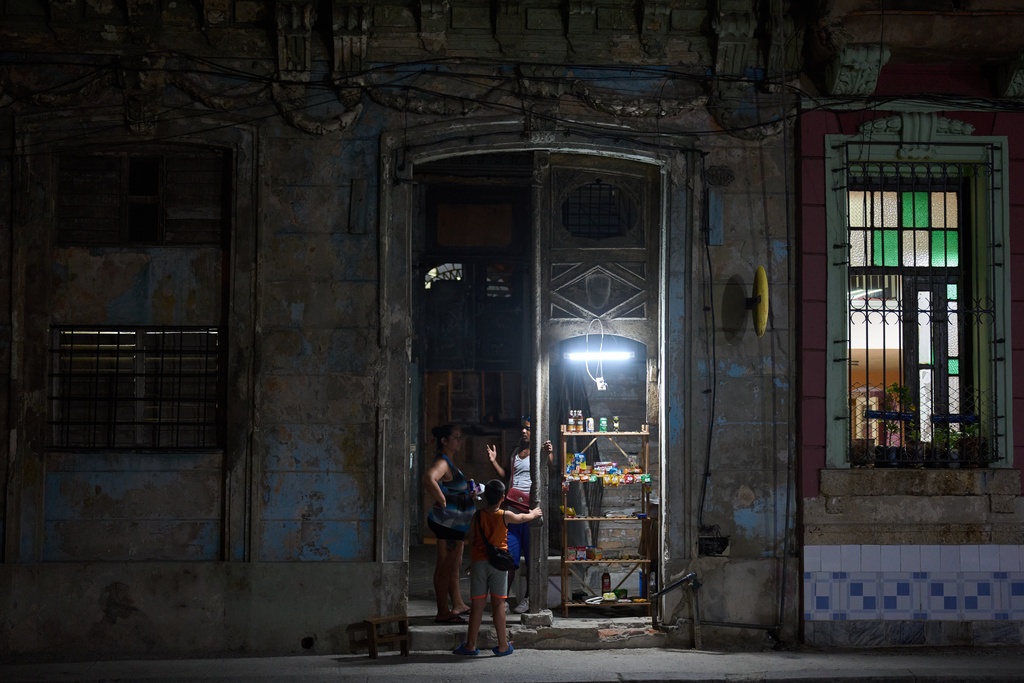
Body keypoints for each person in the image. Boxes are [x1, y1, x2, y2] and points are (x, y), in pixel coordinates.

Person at [453, 479, 542, 657]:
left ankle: (470, 645)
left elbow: (472, 538)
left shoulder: (477, 516)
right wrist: (534, 513)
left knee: (477, 605)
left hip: (479, 563)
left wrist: (472, 560)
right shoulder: (505, 515)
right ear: (502, 498)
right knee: (499, 604)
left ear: (485, 496)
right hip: (499, 565)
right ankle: (502, 645)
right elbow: (523, 518)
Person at [486, 418, 553, 613]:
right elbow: (506, 476)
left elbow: (551, 467)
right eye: (522, 428)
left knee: (532, 557)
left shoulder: (540, 451)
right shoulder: (515, 452)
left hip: (531, 510)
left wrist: (548, 453)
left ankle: (529, 599)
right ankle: (503, 600)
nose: (524, 431)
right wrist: (493, 462)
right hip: (513, 509)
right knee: (509, 557)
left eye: (528, 429)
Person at [422, 423, 474, 623]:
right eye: (456, 437)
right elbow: (429, 479)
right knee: (445, 566)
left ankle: (458, 604)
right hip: (448, 525)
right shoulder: (443, 462)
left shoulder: (450, 461)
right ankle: (443, 611)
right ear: (444, 441)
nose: (460, 441)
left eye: (460, 436)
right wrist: (442, 500)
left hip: (455, 525)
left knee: (454, 565)